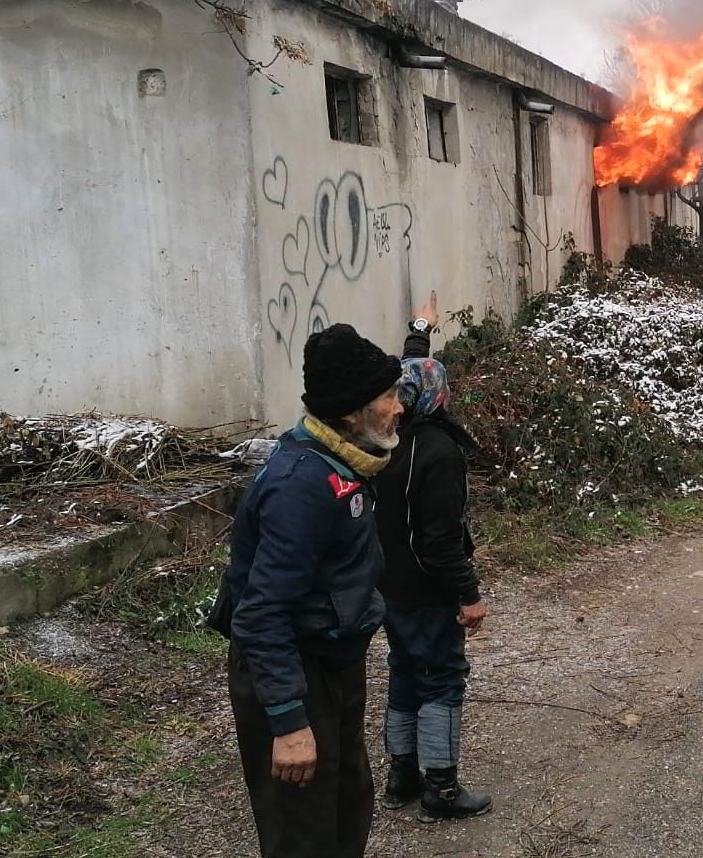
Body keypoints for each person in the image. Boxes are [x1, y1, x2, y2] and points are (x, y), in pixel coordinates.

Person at [209, 323, 404, 858]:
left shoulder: (345, 460)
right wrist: (290, 722)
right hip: (296, 667)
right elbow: (260, 613)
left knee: (346, 805)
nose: (399, 407)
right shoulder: (301, 484)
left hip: (332, 658)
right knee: (304, 831)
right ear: (351, 413)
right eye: (389, 396)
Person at [377, 292, 493, 821]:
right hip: (427, 587)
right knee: (442, 677)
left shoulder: (382, 441)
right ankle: (441, 789)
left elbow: (410, 373)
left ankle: (400, 776)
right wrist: (468, 594)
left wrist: (421, 327)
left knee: (404, 669)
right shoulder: (439, 453)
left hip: (389, 582)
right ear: (438, 396)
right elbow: (441, 539)